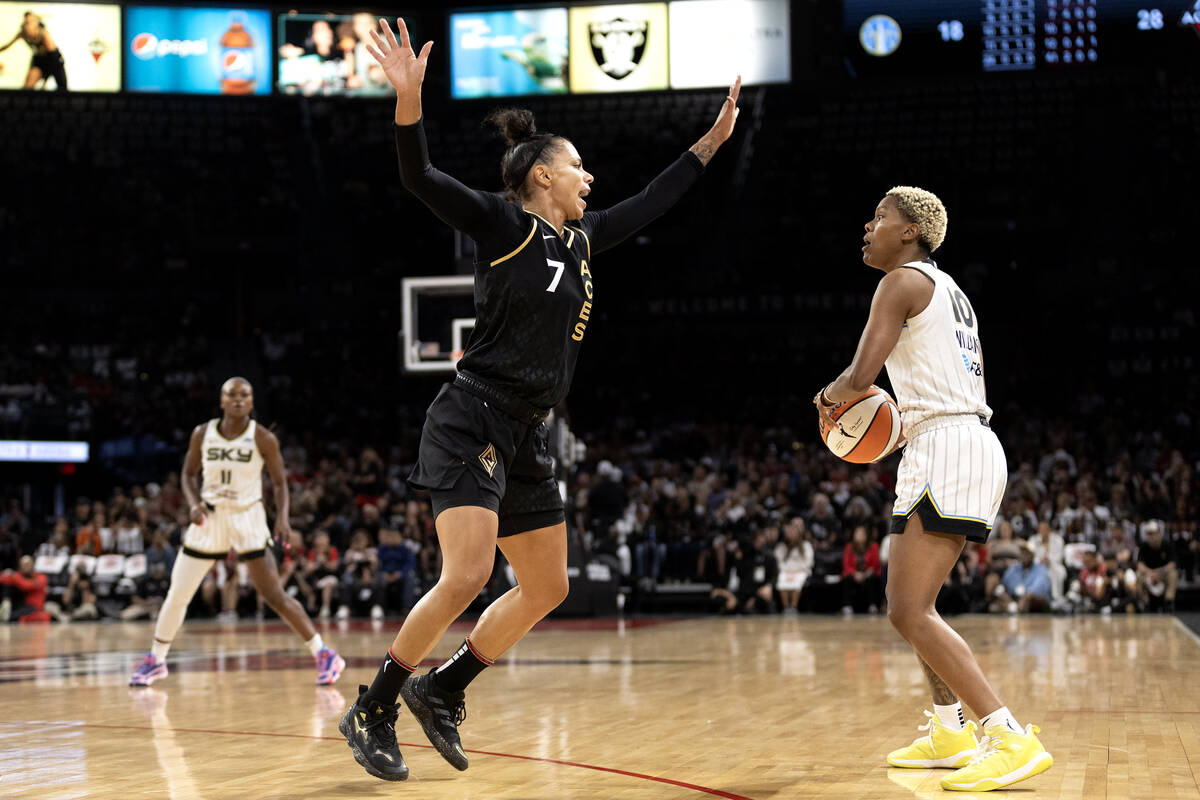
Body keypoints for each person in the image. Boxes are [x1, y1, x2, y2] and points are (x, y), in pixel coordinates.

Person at [338, 18, 741, 783]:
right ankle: (375, 706)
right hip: (471, 415)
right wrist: (408, 103)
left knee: (549, 585)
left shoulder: (583, 242)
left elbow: (657, 199)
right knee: (464, 577)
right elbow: (420, 178)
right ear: (542, 177)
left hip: (529, 429)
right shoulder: (504, 225)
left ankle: (442, 688)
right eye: (578, 167)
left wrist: (712, 142)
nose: (590, 178)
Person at [815, 187, 1051, 791]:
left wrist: (827, 402)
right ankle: (950, 729)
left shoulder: (901, 282)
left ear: (911, 230)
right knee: (917, 606)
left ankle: (1006, 735)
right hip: (943, 441)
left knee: (908, 610)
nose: (867, 226)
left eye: (879, 217)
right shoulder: (948, 289)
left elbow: (862, 377)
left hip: (948, 446)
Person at [128, 377, 344, 688]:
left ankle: (324, 654)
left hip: (248, 518)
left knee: (274, 595)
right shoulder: (202, 434)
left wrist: (282, 518)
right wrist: (192, 504)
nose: (238, 399)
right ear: (222, 400)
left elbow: (280, 483)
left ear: (252, 402)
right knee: (178, 593)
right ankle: (156, 660)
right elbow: (187, 475)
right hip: (210, 517)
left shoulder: (263, 438)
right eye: (232, 394)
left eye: (245, 395)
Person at [0, 12, 67, 90]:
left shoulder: (44, 34)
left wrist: (45, 80)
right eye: (25, 22)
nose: (26, 26)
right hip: (39, 60)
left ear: (36, 25)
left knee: (62, 88)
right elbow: (7, 46)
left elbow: (53, 57)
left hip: (54, 61)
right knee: (27, 88)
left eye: (29, 23)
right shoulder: (22, 34)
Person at [996, 542, 1052, 613]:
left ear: (1032, 555)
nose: (1024, 556)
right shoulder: (1014, 568)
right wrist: (1005, 597)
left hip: (1033, 602)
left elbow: (1038, 588)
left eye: (1027, 553)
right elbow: (1003, 584)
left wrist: (1025, 598)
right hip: (1014, 599)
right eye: (1022, 552)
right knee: (997, 603)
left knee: (1032, 601)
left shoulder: (1040, 569)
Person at [1136, 520, 1177, 612]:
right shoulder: (1144, 546)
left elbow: (1172, 564)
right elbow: (1140, 565)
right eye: (1149, 534)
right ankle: (1144, 603)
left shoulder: (1167, 545)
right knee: (1138, 575)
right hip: (1149, 575)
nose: (1151, 536)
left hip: (1163, 574)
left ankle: (1169, 601)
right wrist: (1150, 573)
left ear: (1159, 533)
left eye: (1153, 533)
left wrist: (1160, 572)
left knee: (1173, 574)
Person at [1, 555, 49, 623]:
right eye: (22, 565)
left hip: (34, 609)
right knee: (8, 586)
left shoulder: (41, 577)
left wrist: (12, 576)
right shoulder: (19, 575)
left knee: (32, 611)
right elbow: (3, 579)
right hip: (20, 605)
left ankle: (7, 617)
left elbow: (26, 585)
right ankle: (5, 606)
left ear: (33, 565)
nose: (25, 567)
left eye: (27, 564)